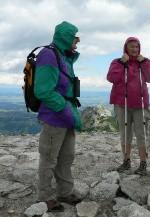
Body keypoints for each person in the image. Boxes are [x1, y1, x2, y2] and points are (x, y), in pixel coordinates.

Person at [34, 21, 82, 211]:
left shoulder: (63, 56)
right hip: (55, 116)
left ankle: (65, 191)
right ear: (66, 37)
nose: (77, 43)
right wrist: (64, 108)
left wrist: (69, 111)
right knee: (49, 158)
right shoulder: (49, 55)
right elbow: (43, 91)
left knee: (66, 157)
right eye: (74, 38)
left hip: (66, 114)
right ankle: (45, 196)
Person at [107, 37, 150, 175]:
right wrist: (121, 63)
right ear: (126, 48)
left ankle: (143, 163)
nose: (134, 49)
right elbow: (111, 78)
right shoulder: (117, 62)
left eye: (137, 47)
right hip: (122, 104)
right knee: (125, 134)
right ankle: (126, 160)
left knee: (142, 135)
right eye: (131, 47)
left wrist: (145, 62)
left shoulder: (144, 62)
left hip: (140, 104)